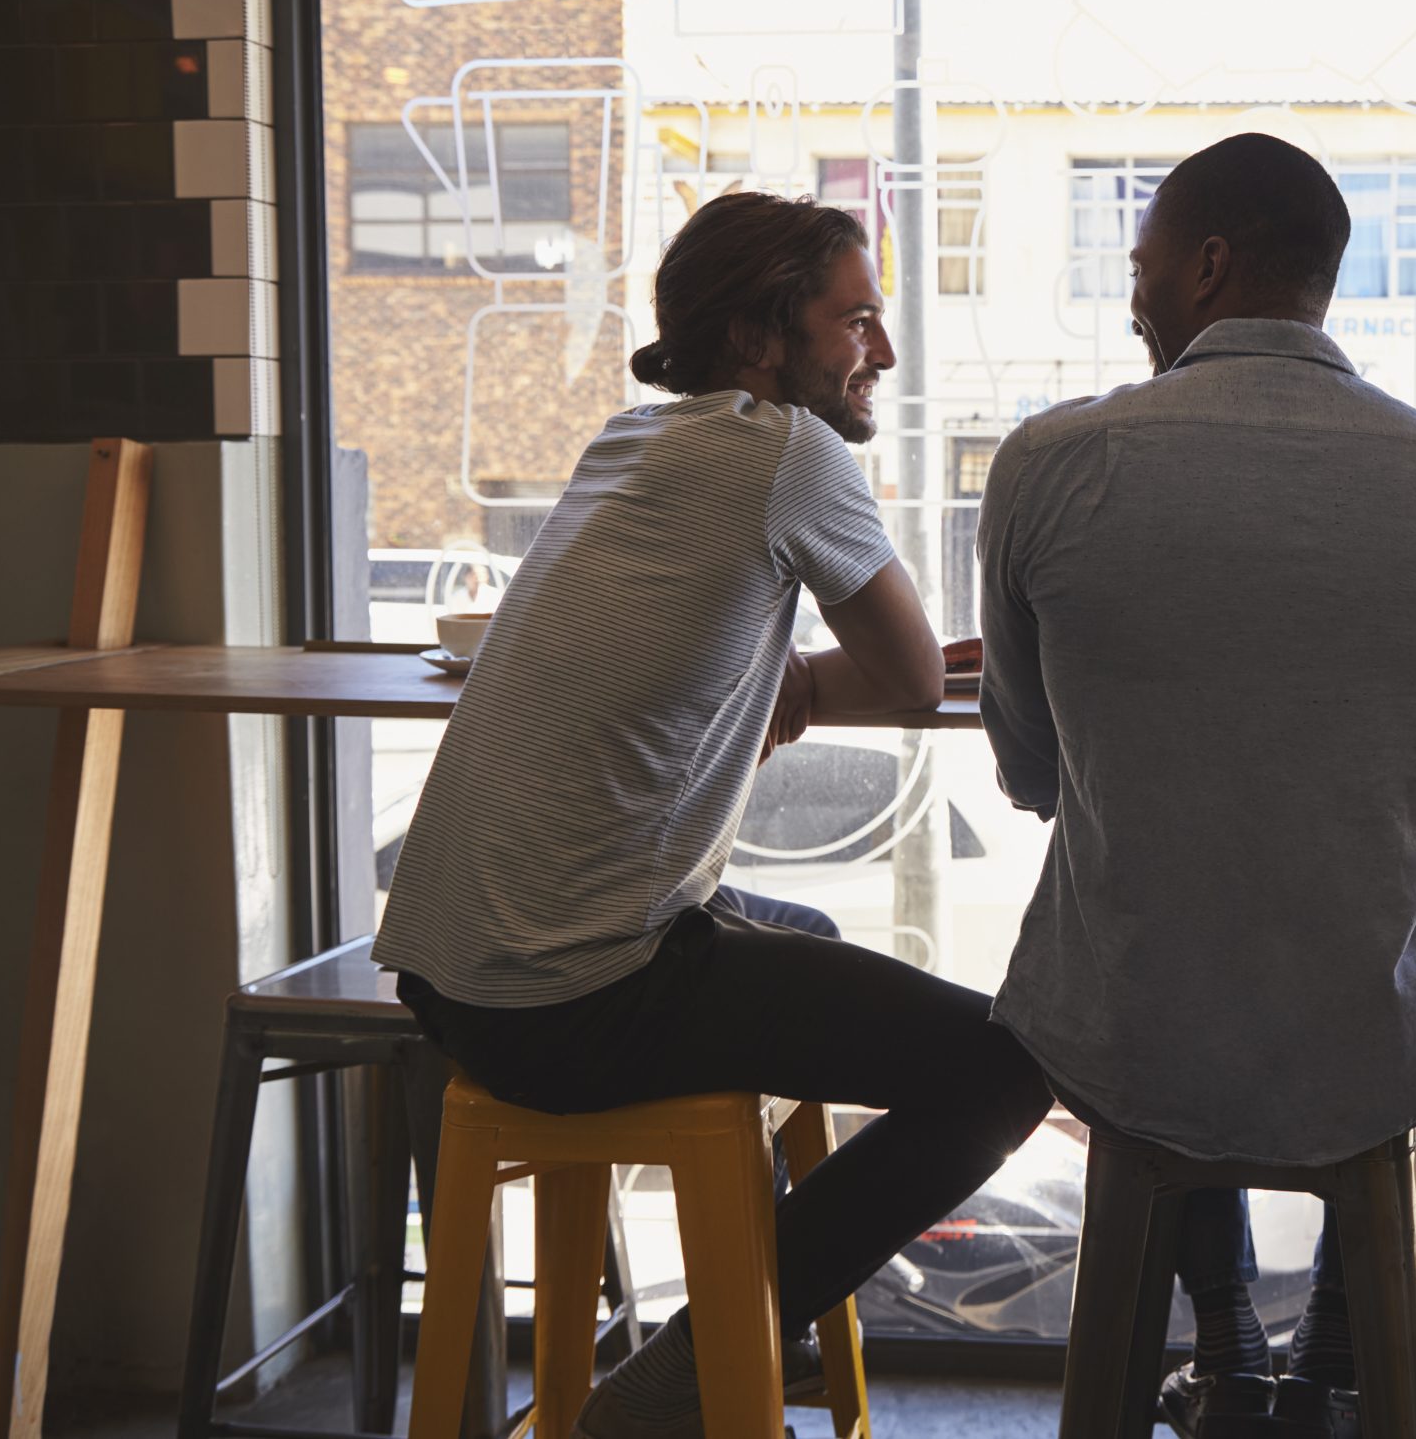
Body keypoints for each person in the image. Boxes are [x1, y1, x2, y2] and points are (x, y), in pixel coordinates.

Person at [371, 192, 1052, 1439]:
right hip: (573, 999)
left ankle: (744, 1338)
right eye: (856, 320)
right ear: (760, 335)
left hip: (449, 971)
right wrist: (841, 674)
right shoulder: (791, 455)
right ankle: (702, 1364)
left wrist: (790, 678)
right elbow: (905, 681)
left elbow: (757, 655)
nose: (882, 353)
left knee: (805, 935)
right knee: (1004, 1068)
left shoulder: (633, 443)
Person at [977, 134, 1416, 1439]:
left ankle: (1230, 1347)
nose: (1134, 293)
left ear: (1208, 266)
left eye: (1143, 264)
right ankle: (1341, 1360)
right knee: (1388, 897)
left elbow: (1026, 768)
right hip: (1363, 1022)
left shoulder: (1049, 461)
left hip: (1138, 1018)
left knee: (1167, 877)